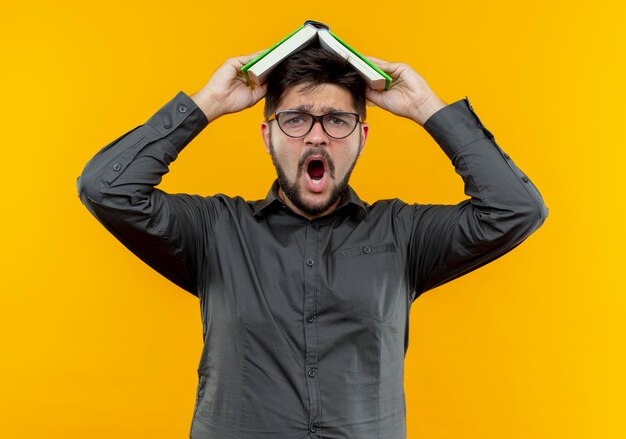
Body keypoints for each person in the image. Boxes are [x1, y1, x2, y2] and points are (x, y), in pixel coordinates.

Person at [76, 45, 549, 439]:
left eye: (337, 121)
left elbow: (516, 210)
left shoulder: (402, 234)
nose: (317, 137)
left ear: (362, 137)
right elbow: (105, 189)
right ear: (267, 135)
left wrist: (428, 108)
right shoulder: (214, 230)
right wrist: (207, 102)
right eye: (297, 119)